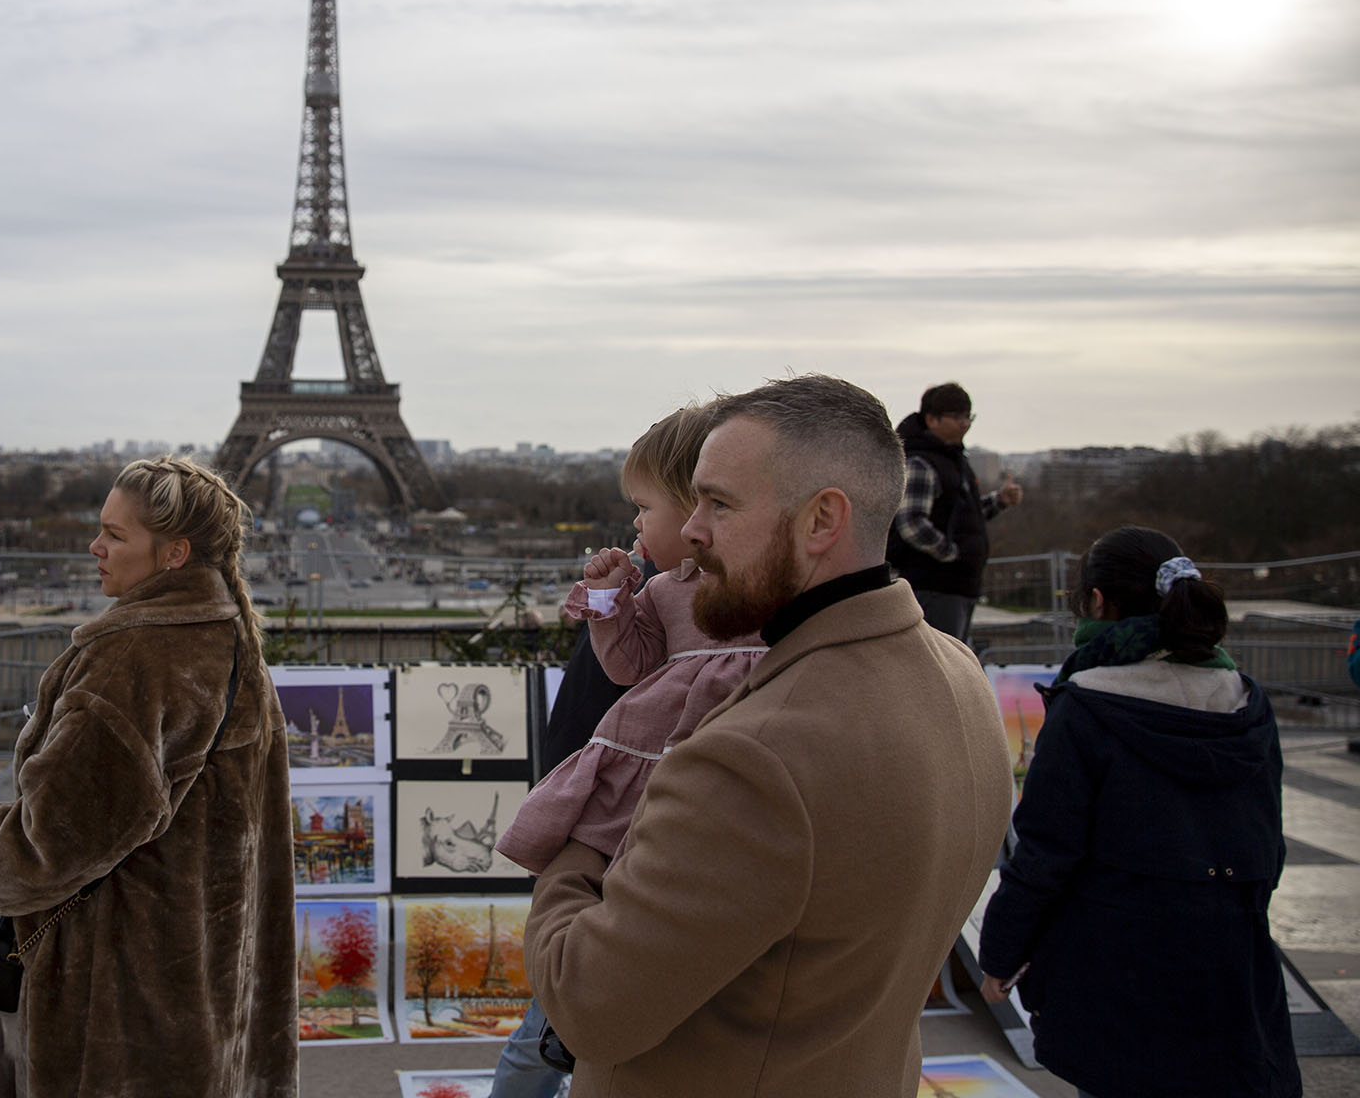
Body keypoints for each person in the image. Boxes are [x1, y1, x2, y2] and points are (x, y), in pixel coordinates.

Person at [524, 374, 1011, 1097]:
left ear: (822, 520)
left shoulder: (752, 757)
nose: (691, 529)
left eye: (719, 504)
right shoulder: (959, 676)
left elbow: (587, 1001)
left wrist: (582, 834)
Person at [0, 457, 298, 1097]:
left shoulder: (131, 661)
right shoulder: (229, 639)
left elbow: (40, 850)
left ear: (173, 554)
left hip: (122, 995)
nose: (96, 546)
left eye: (115, 534)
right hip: (206, 976)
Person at [493, 404, 763, 1098]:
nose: (636, 524)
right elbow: (628, 661)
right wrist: (612, 595)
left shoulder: (751, 593)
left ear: (701, 506)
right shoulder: (666, 592)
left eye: (644, 508)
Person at [977, 527, 1300, 1098]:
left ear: (1098, 603)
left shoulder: (1086, 707)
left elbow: (1046, 854)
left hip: (1117, 975)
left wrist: (1001, 953)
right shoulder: (1247, 700)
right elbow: (1267, 847)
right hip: (1230, 974)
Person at [885, 382, 1022, 643]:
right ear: (932, 419)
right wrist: (950, 554)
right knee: (941, 666)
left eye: (968, 417)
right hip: (936, 587)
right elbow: (911, 522)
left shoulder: (951, 459)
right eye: (957, 417)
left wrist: (1000, 501)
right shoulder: (922, 462)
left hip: (957, 585)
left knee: (953, 663)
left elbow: (962, 516)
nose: (965, 424)